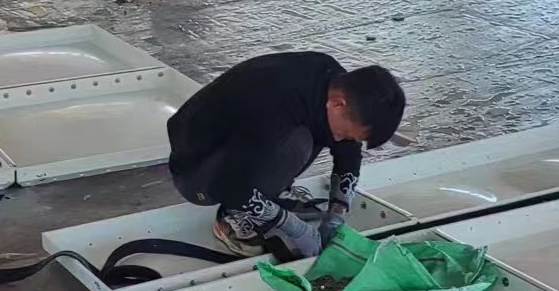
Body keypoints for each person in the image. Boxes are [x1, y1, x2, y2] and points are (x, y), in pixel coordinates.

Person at [167, 53, 405, 259]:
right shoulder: (273, 109)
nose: (343, 139)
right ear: (337, 104)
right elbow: (228, 184)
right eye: (346, 133)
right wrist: (293, 227)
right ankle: (233, 215)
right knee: (299, 142)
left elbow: (348, 149)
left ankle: (265, 194)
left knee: (323, 131)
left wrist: (337, 213)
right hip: (199, 170)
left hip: (241, 147)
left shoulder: (335, 83)